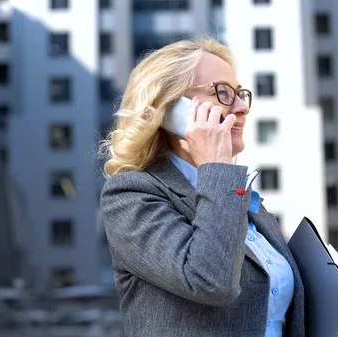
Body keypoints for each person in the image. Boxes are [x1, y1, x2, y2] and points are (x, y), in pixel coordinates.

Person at [99, 39, 305, 337]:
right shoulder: (130, 195)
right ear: (170, 109)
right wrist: (219, 167)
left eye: (242, 94)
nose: (243, 107)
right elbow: (210, 281)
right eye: (223, 93)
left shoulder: (243, 200)